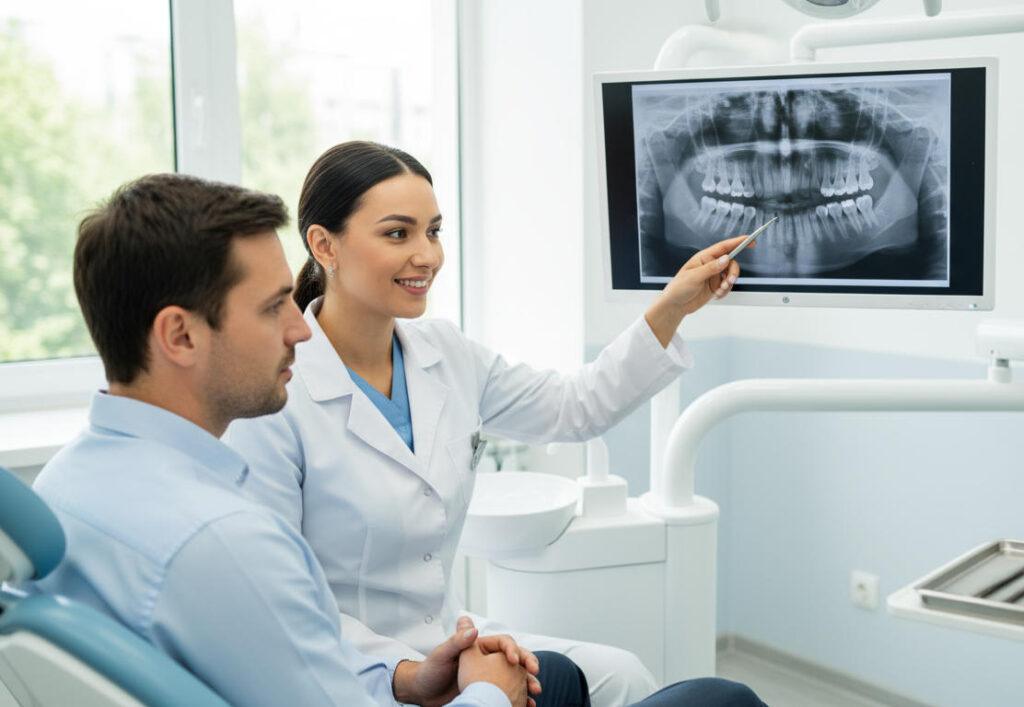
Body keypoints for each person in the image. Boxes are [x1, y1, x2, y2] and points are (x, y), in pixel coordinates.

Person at [224, 141, 751, 706]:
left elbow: (574, 407)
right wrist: (407, 672)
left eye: (434, 231)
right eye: (398, 234)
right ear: (323, 245)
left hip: (451, 638)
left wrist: (671, 305)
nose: (426, 255)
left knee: (621, 674)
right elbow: (283, 603)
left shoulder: (443, 351)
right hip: (359, 673)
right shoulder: (275, 397)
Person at [28, 173, 554, 707]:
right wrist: (490, 695)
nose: (300, 329)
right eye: (272, 306)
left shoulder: (61, 487)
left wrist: (406, 679)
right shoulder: (229, 542)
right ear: (181, 336)